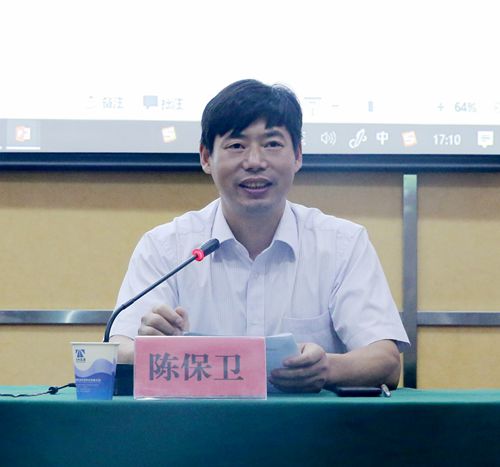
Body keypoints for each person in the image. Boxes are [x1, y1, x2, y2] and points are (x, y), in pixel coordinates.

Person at [110, 79, 409, 392]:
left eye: (272, 144)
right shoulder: (165, 247)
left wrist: (327, 367)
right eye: (236, 146)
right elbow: (118, 354)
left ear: (298, 155)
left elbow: (386, 362)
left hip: (309, 423)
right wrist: (150, 347)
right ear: (206, 157)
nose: (254, 162)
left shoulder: (342, 244)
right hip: (197, 422)